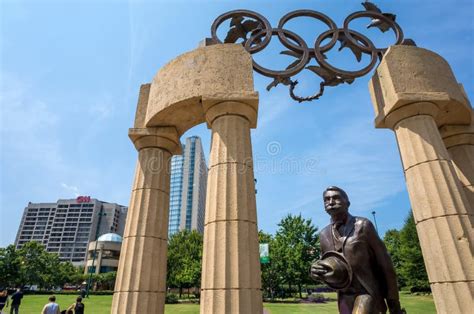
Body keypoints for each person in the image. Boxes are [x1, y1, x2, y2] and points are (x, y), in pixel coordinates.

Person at [310, 186, 403, 314]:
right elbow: (328, 266)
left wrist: (394, 303)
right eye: (326, 199)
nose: (330, 202)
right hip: (344, 296)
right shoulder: (323, 234)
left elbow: (385, 265)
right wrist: (316, 271)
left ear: (347, 203)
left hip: (367, 292)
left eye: (336, 198)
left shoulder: (363, 226)